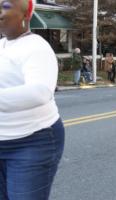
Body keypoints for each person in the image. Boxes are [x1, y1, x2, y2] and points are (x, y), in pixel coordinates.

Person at [0, 0, 65, 199]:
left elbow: (39, 92)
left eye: (5, 5)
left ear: (26, 15)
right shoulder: (2, 45)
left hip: (32, 141)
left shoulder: (37, 47)